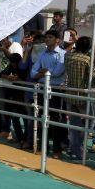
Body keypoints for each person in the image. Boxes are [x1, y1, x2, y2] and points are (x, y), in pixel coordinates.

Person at [30, 29, 67, 158]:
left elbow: (57, 72)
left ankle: (57, 149)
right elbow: (32, 73)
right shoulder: (42, 54)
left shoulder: (62, 54)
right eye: (46, 37)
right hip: (42, 88)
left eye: (50, 37)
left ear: (57, 40)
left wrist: (43, 71)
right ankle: (43, 146)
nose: (47, 39)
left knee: (56, 119)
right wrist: (45, 72)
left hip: (55, 90)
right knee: (41, 117)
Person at [64, 37, 95, 162]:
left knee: (73, 126)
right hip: (83, 95)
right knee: (90, 122)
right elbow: (94, 78)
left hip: (70, 94)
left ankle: (74, 150)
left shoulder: (67, 56)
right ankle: (78, 149)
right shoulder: (87, 59)